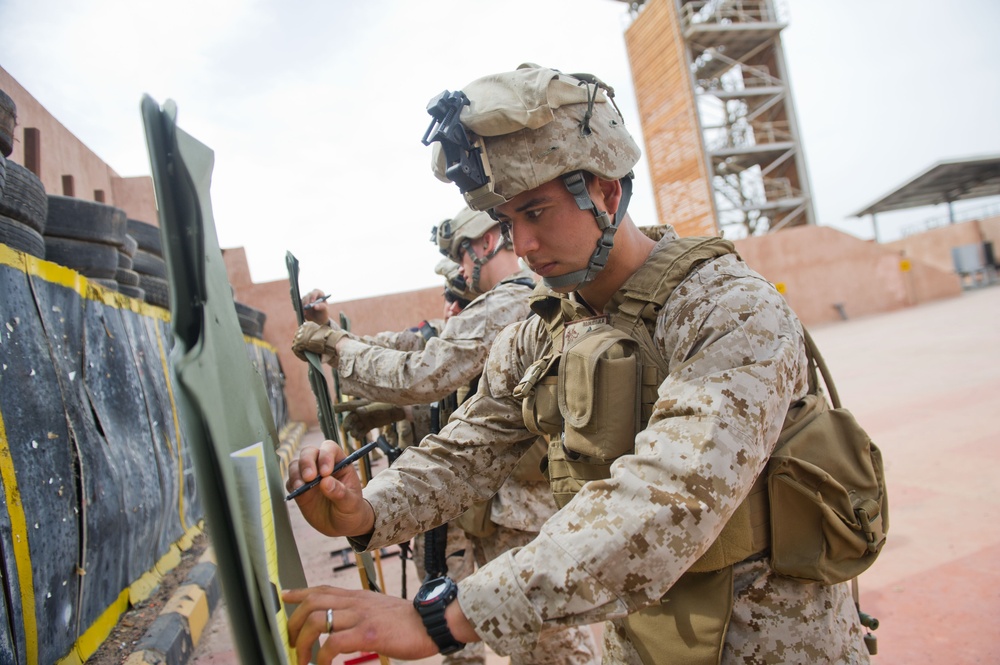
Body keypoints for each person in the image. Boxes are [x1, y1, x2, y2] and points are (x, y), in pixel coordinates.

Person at [283, 64, 871, 664]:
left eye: (536, 213)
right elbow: (467, 449)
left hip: (774, 641)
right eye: (510, 224)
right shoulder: (543, 330)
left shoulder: (728, 309)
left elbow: (670, 500)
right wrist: (368, 508)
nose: (526, 248)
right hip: (642, 642)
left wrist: (447, 619)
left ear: (606, 192)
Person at [291, 206, 599, 665]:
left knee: (548, 647)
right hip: (487, 499)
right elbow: (421, 343)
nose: (460, 268)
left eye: (462, 255)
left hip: (524, 507)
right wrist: (334, 335)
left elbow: (425, 371)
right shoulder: (495, 305)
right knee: (503, 638)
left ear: (487, 241)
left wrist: (336, 347)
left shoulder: (515, 301)